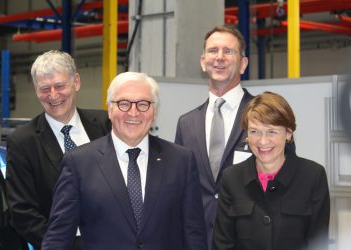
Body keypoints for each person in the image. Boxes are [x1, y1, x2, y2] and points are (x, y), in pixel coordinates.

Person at [41, 72, 208, 250]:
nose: (133, 113)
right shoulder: (79, 163)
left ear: (154, 111)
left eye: (143, 104)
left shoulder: (181, 160)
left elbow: (194, 234)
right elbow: (58, 237)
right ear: (110, 109)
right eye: (123, 104)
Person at [6, 50, 111, 250]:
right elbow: (22, 211)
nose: (53, 95)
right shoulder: (22, 142)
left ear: (76, 82)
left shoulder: (106, 125)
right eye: (44, 88)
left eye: (60, 86)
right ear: (36, 90)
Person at [214, 91, 330, 250]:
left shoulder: (313, 176)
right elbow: (223, 244)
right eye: (254, 131)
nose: (262, 141)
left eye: (272, 131)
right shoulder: (231, 178)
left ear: (288, 133)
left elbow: (318, 243)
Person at [175, 25, 253, 249]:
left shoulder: (264, 116)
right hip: (198, 240)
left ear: (243, 64)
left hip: (248, 239)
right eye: (213, 51)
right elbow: (179, 186)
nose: (219, 58)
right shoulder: (186, 123)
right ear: (203, 61)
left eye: (229, 51)